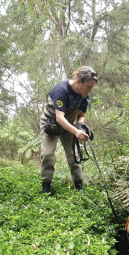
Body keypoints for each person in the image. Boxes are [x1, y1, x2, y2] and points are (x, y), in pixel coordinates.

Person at [40, 66, 98, 194]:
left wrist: (80, 126)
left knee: (75, 155)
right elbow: (60, 118)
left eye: (92, 87)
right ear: (79, 81)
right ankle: (46, 187)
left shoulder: (85, 96)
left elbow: (81, 116)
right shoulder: (61, 90)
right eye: (88, 86)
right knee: (48, 154)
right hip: (51, 123)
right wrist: (76, 132)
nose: (90, 90)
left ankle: (79, 186)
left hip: (70, 125)